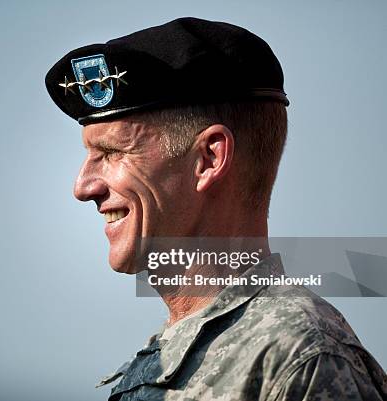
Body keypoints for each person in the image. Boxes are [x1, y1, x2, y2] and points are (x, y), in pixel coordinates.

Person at [44, 17, 387, 401]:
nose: (83, 186)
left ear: (208, 158)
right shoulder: (160, 363)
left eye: (112, 153)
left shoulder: (298, 359)